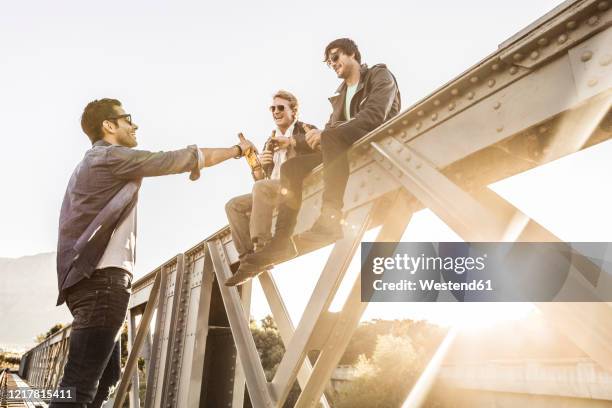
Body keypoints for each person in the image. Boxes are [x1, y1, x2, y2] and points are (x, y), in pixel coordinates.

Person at [50, 98, 254, 408]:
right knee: (79, 386)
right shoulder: (110, 157)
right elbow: (175, 159)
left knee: (105, 378)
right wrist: (236, 151)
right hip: (102, 282)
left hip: (85, 283)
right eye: (127, 118)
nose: (134, 125)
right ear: (108, 125)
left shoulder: (89, 164)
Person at [248, 38, 401, 266]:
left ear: (353, 54)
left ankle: (330, 219)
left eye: (336, 56)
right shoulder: (339, 97)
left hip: (376, 145)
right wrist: (295, 142)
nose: (332, 63)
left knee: (328, 136)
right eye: (329, 61)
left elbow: (375, 116)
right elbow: (324, 136)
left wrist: (326, 134)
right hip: (343, 149)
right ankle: (280, 241)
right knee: (291, 167)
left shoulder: (379, 76)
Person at [224, 90, 317, 286]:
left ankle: (264, 249)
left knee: (261, 188)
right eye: (272, 108)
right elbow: (262, 180)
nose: (275, 111)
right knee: (233, 205)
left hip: (296, 187)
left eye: (281, 107)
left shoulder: (305, 129)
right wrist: (260, 166)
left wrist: (292, 144)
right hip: (272, 190)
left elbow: (319, 151)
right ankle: (248, 262)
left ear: (294, 111)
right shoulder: (270, 140)